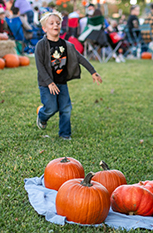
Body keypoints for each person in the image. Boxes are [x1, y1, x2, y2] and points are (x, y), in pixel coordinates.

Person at [35, 11, 103, 140]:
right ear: (44, 28)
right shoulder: (41, 45)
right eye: (51, 23)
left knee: (66, 108)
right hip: (47, 84)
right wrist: (49, 82)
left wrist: (93, 71)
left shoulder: (67, 45)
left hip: (61, 82)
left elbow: (80, 58)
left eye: (58, 23)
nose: (55, 25)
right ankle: (42, 115)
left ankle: (65, 134)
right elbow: (40, 66)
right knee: (51, 108)